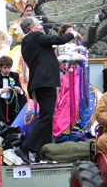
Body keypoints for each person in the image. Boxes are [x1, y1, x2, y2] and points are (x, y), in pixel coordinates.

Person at [13, 17, 84, 163]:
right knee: (46, 116)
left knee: (47, 117)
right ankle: (24, 149)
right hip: (45, 81)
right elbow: (56, 40)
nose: (40, 27)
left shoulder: (29, 42)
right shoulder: (36, 36)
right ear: (31, 28)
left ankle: (43, 152)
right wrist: (73, 34)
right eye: (38, 25)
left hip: (40, 82)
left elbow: (44, 57)